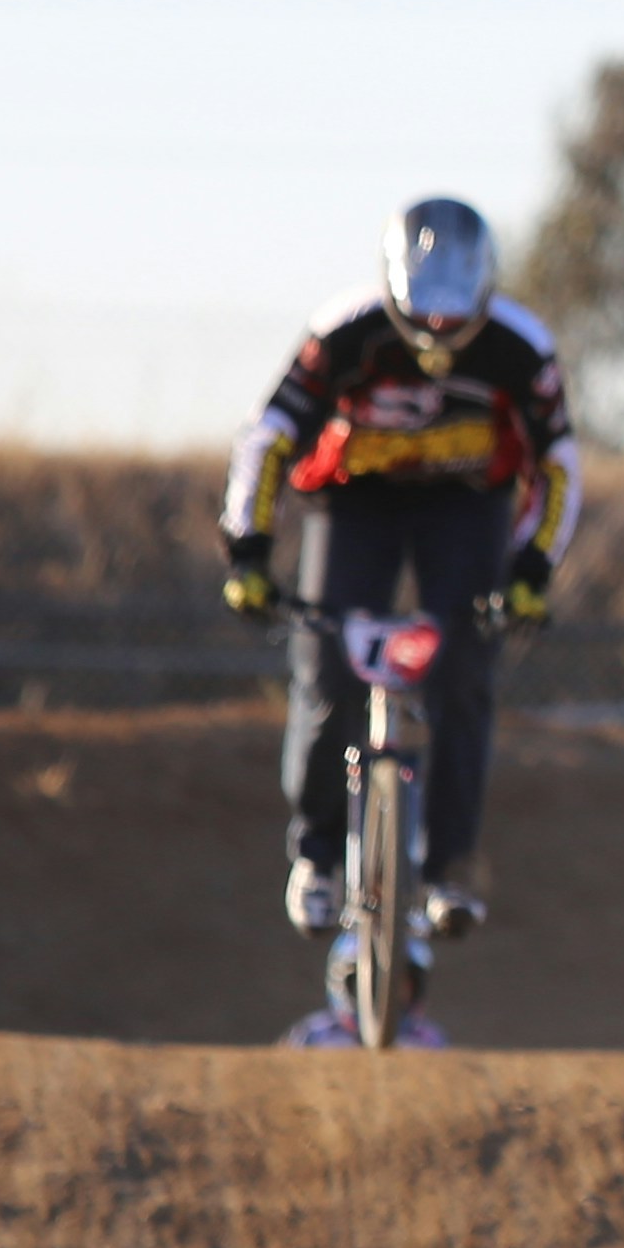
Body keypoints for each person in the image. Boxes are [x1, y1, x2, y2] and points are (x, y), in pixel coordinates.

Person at [221, 196, 577, 941]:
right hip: (357, 504)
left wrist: (532, 571)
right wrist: (248, 550)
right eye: (424, 319)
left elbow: (559, 466)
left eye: (456, 319)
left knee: (464, 671)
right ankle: (317, 855)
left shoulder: (521, 345)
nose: (439, 335)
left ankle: (450, 867)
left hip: (467, 506)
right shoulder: (343, 331)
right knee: (326, 666)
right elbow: (270, 436)